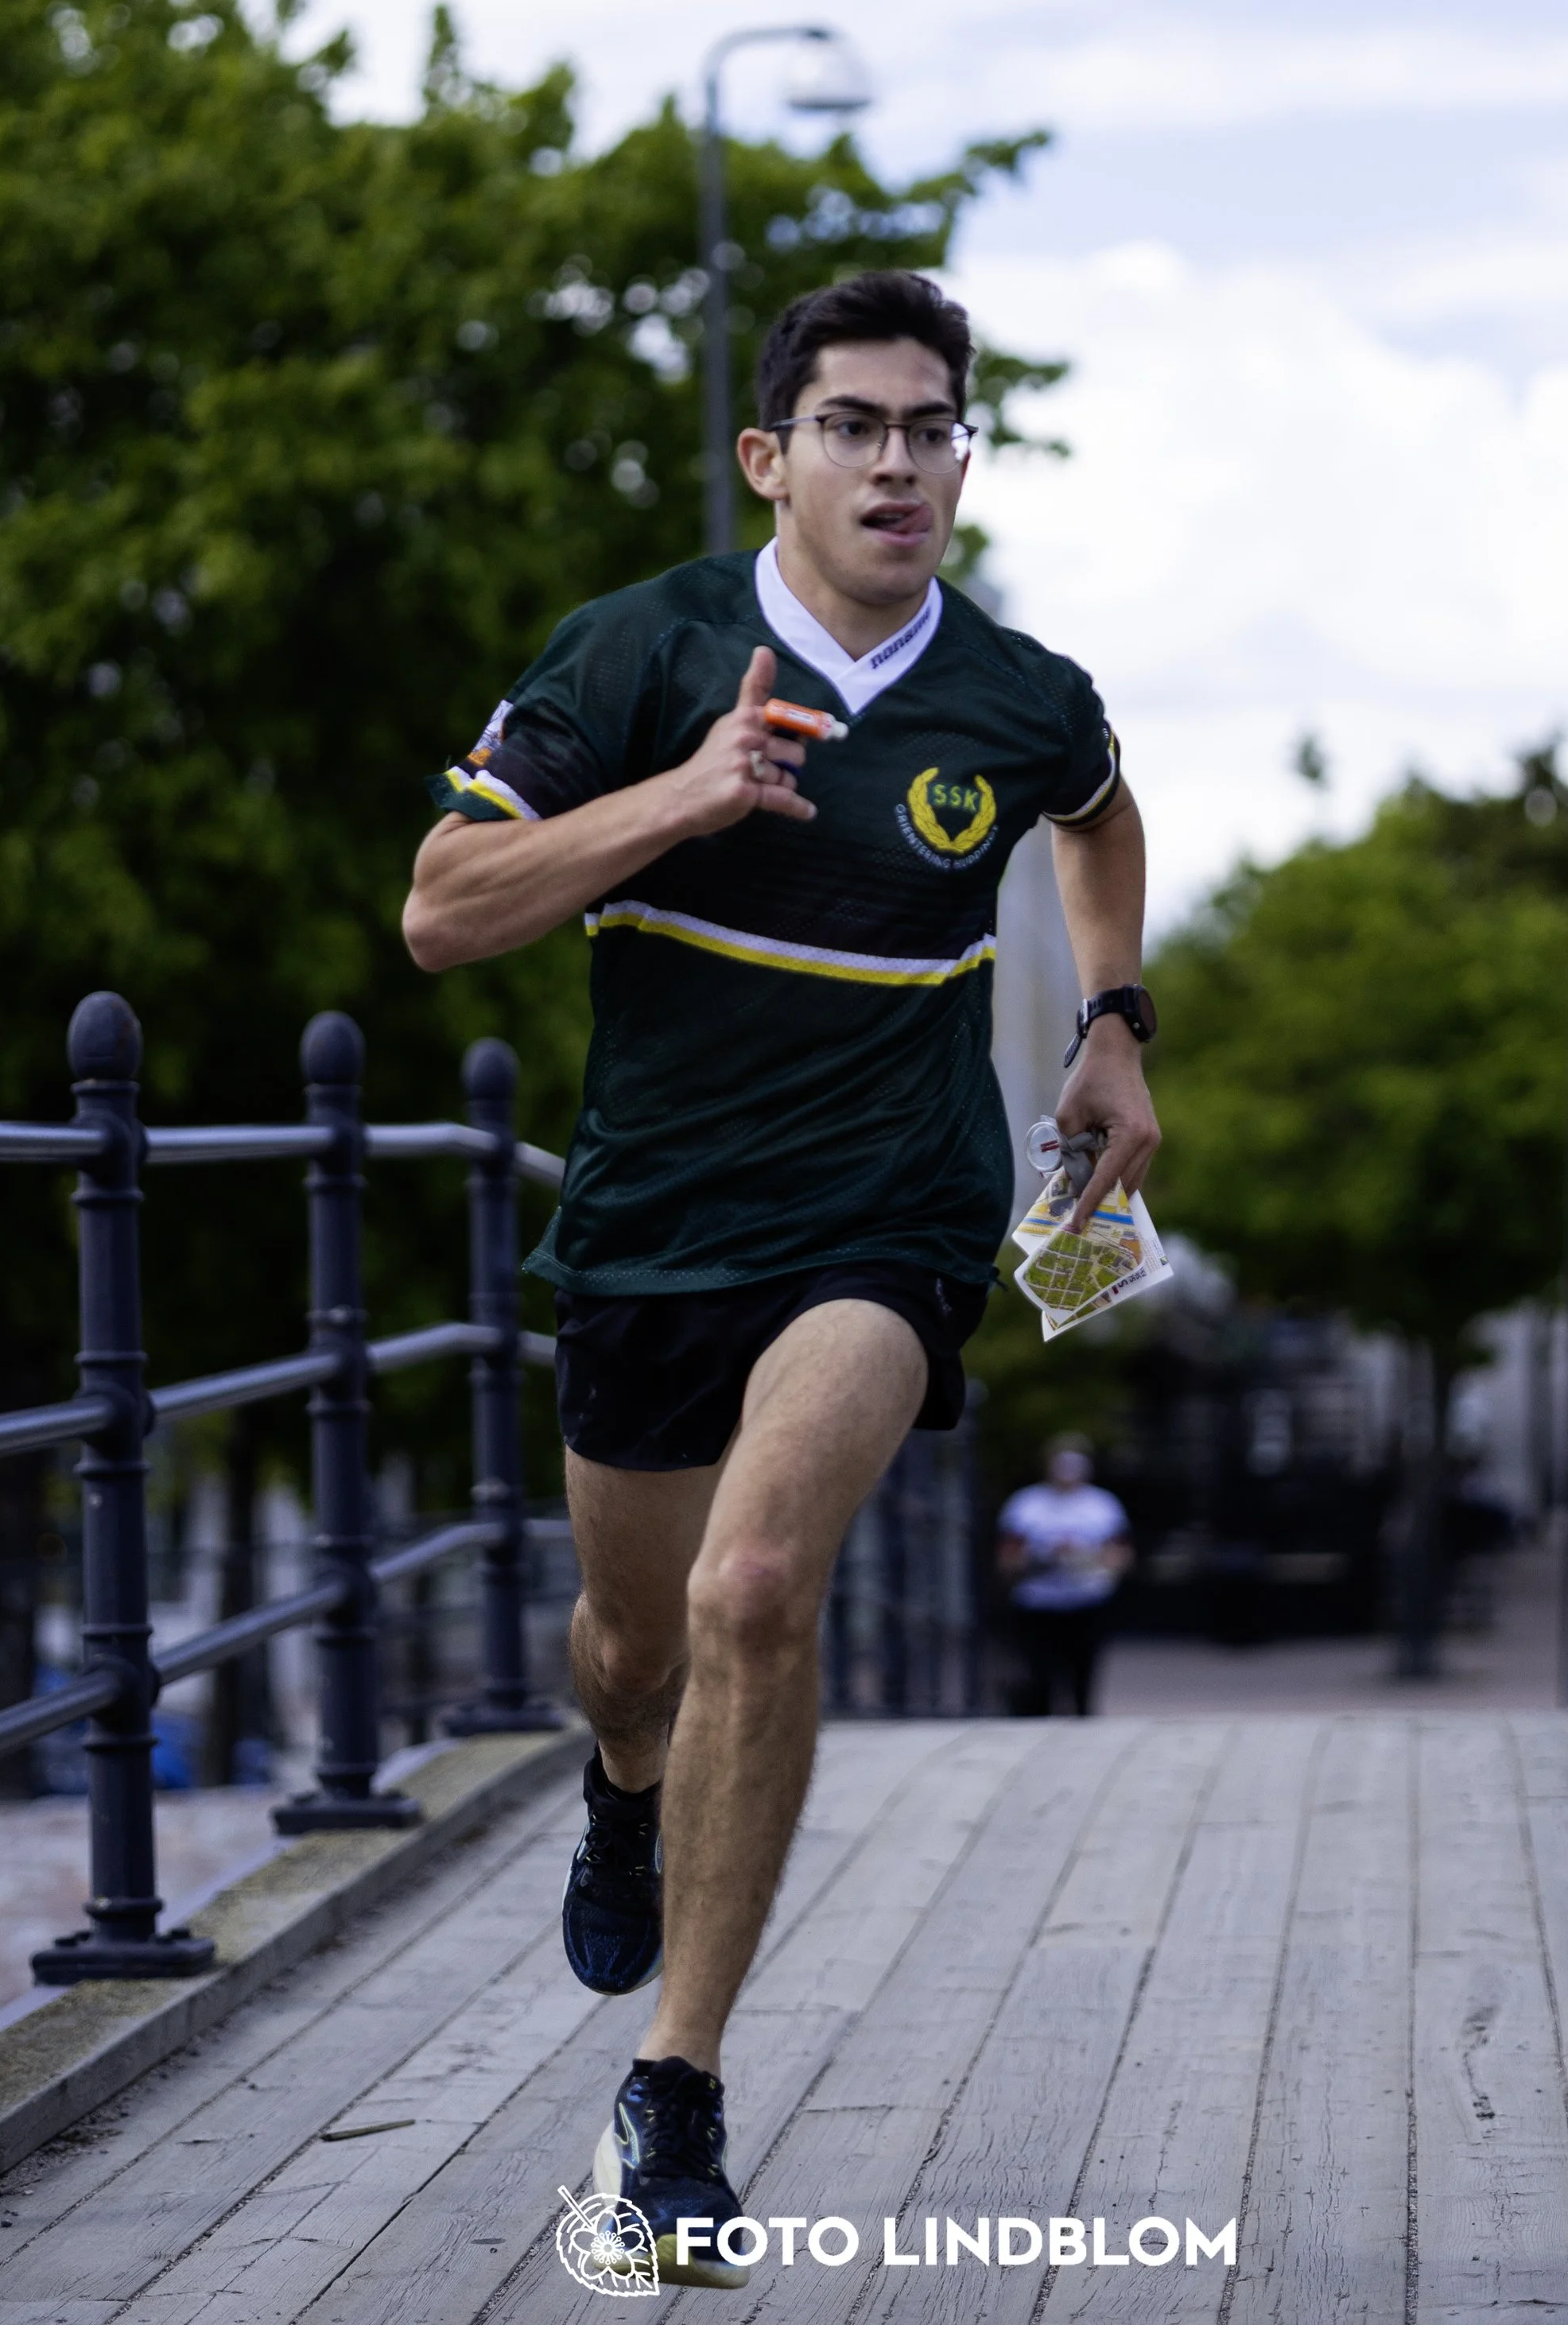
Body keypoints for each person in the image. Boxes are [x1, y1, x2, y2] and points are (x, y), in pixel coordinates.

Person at [402, 269, 1159, 2288]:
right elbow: (440, 911)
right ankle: (624, 1787)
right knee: (635, 1650)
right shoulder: (637, 651)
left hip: (888, 1218)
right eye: (855, 426)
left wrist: (1115, 1024)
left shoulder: (1017, 696)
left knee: (757, 1590)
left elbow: (1096, 818)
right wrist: (686, 796)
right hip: (654, 1228)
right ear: (773, 455)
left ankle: (678, 2085)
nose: (900, 462)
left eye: (932, 428)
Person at [998, 1435, 1132, 1715]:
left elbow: (1120, 1553)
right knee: (1040, 1674)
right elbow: (1008, 1556)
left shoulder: (1102, 1506)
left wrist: (1088, 1562)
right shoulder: (1027, 1504)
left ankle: (1083, 1723)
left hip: (1087, 1600)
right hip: (1039, 1601)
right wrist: (1042, 1558)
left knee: (1083, 1671)